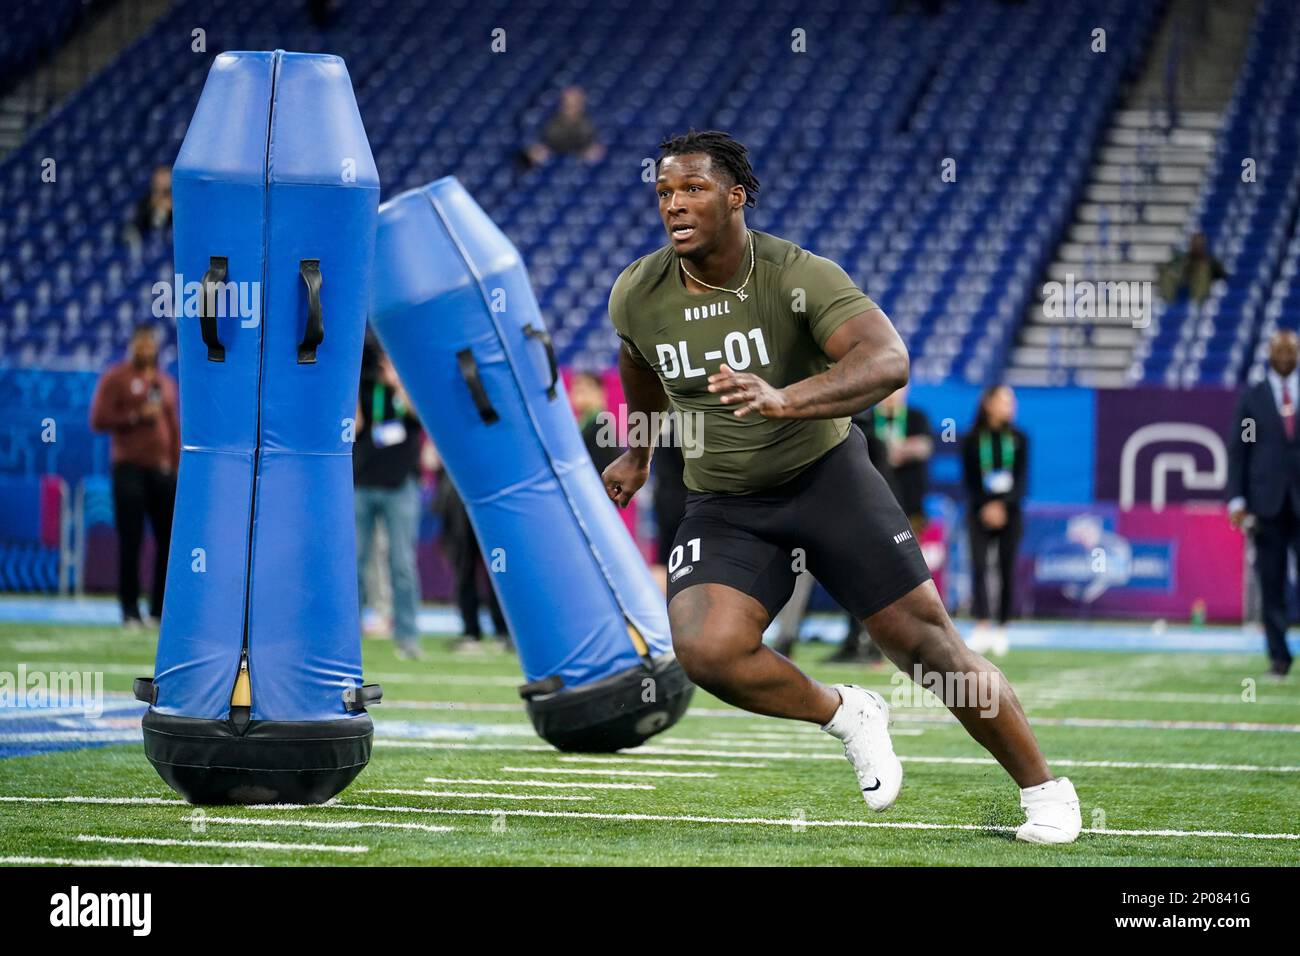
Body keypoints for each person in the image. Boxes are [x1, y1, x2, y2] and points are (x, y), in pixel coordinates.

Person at [602, 129, 1080, 843]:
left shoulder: (797, 274)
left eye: (693, 188)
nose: (674, 203)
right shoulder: (639, 291)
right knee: (706, 649)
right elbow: (638, 365)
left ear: (737, 196)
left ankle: (1045, 790)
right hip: (726, 500)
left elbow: (888, 360)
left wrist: (787, 398)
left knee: (927, 648)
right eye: (665, 191)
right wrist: (639, 452)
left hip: (826, 478)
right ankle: (845, 711)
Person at [88, 324, 180, 629]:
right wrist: (135, 416)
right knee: (131, 538)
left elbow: (173, 426)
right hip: (129, 468)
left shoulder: (165, 383)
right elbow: (98, 419)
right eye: (140, 344)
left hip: (163, 471)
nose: (145, 349)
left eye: (149, 344)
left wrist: (178, 465)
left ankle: (158, 611)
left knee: (168, 541)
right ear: (132, 347)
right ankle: (129, 610)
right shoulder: (117, 378)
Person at [1227, 329, 1300, 677]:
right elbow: (1240, 451)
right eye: (1280, 350)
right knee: (1270, 583)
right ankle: (1279, 657)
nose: (1286, 356)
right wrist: (1237, 500)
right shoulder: (1253, 398)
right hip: (1265, 502)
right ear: (1269, 352)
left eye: (1291, 350)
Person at [354, 337, 425, 660]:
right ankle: (347, 636)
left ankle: (407, 636)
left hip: (401, 484)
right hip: (363, 481)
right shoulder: (362, 384)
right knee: (354, 560)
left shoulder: (410, 381)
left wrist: (398, 383)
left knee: (402, 563)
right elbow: (353, 426)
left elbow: (419, 416)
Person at [961, 384, 1028, 658]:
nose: (1009, 406)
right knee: (979, 565)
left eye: (1011, 401)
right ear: (988, 404)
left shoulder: (1020, 438)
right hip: (979, 510)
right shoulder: (972, 439)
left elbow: (1022, 480)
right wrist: (986, 505)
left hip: (1011, 513)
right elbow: (969, 480)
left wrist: (1003, 505)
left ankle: (1003, 626)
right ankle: (982, 623)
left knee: (1005, 566)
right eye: (1003, 400)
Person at [522, 86, 605, 167]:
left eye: (575, 101)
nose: (571, 105)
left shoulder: (593, 121)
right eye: (567, 101)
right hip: (552, 156)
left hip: (581, 159)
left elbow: (594, 144)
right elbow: (544, 142)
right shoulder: (548, 120)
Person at [569, 371, 620, 475]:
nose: (576, 394)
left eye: (582, 390)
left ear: (599, 392)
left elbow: (602, 467)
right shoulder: (583, 423)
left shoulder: (602, 424)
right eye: (575, 389)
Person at [1158, 232, 1227, 307]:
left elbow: (1222, 275)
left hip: (1202, 288)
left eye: (1199, 244)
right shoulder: (1185, 258)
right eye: (1195, 243)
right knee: (1167, 273)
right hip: (1185, 282)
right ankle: (1168, 303)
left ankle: (1197, 305)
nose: (1197, 246)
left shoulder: (1209, 260)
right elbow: (1175, 269)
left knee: (1202, 271)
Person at [131, 165, 173, 239]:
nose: (163, 180)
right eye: (160, 176)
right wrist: (153, 206)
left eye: (165, 176)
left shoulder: (175, 201)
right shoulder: (145, 201)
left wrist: (171, 210)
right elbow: (139, 223)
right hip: (148, 240)